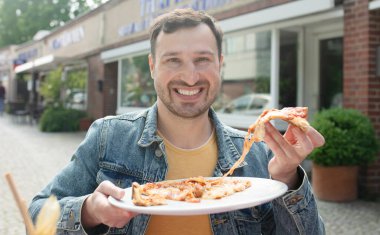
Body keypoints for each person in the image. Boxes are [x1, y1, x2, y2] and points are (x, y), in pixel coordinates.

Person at [29, 8, 326, 235]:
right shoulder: (108, 137)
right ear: (152, 66)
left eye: (202, 59)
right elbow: (37, 213)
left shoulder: (257, 155)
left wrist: (288, 179)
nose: (190, 76)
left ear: (220, 64)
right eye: (173, 60)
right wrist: (89, 211)